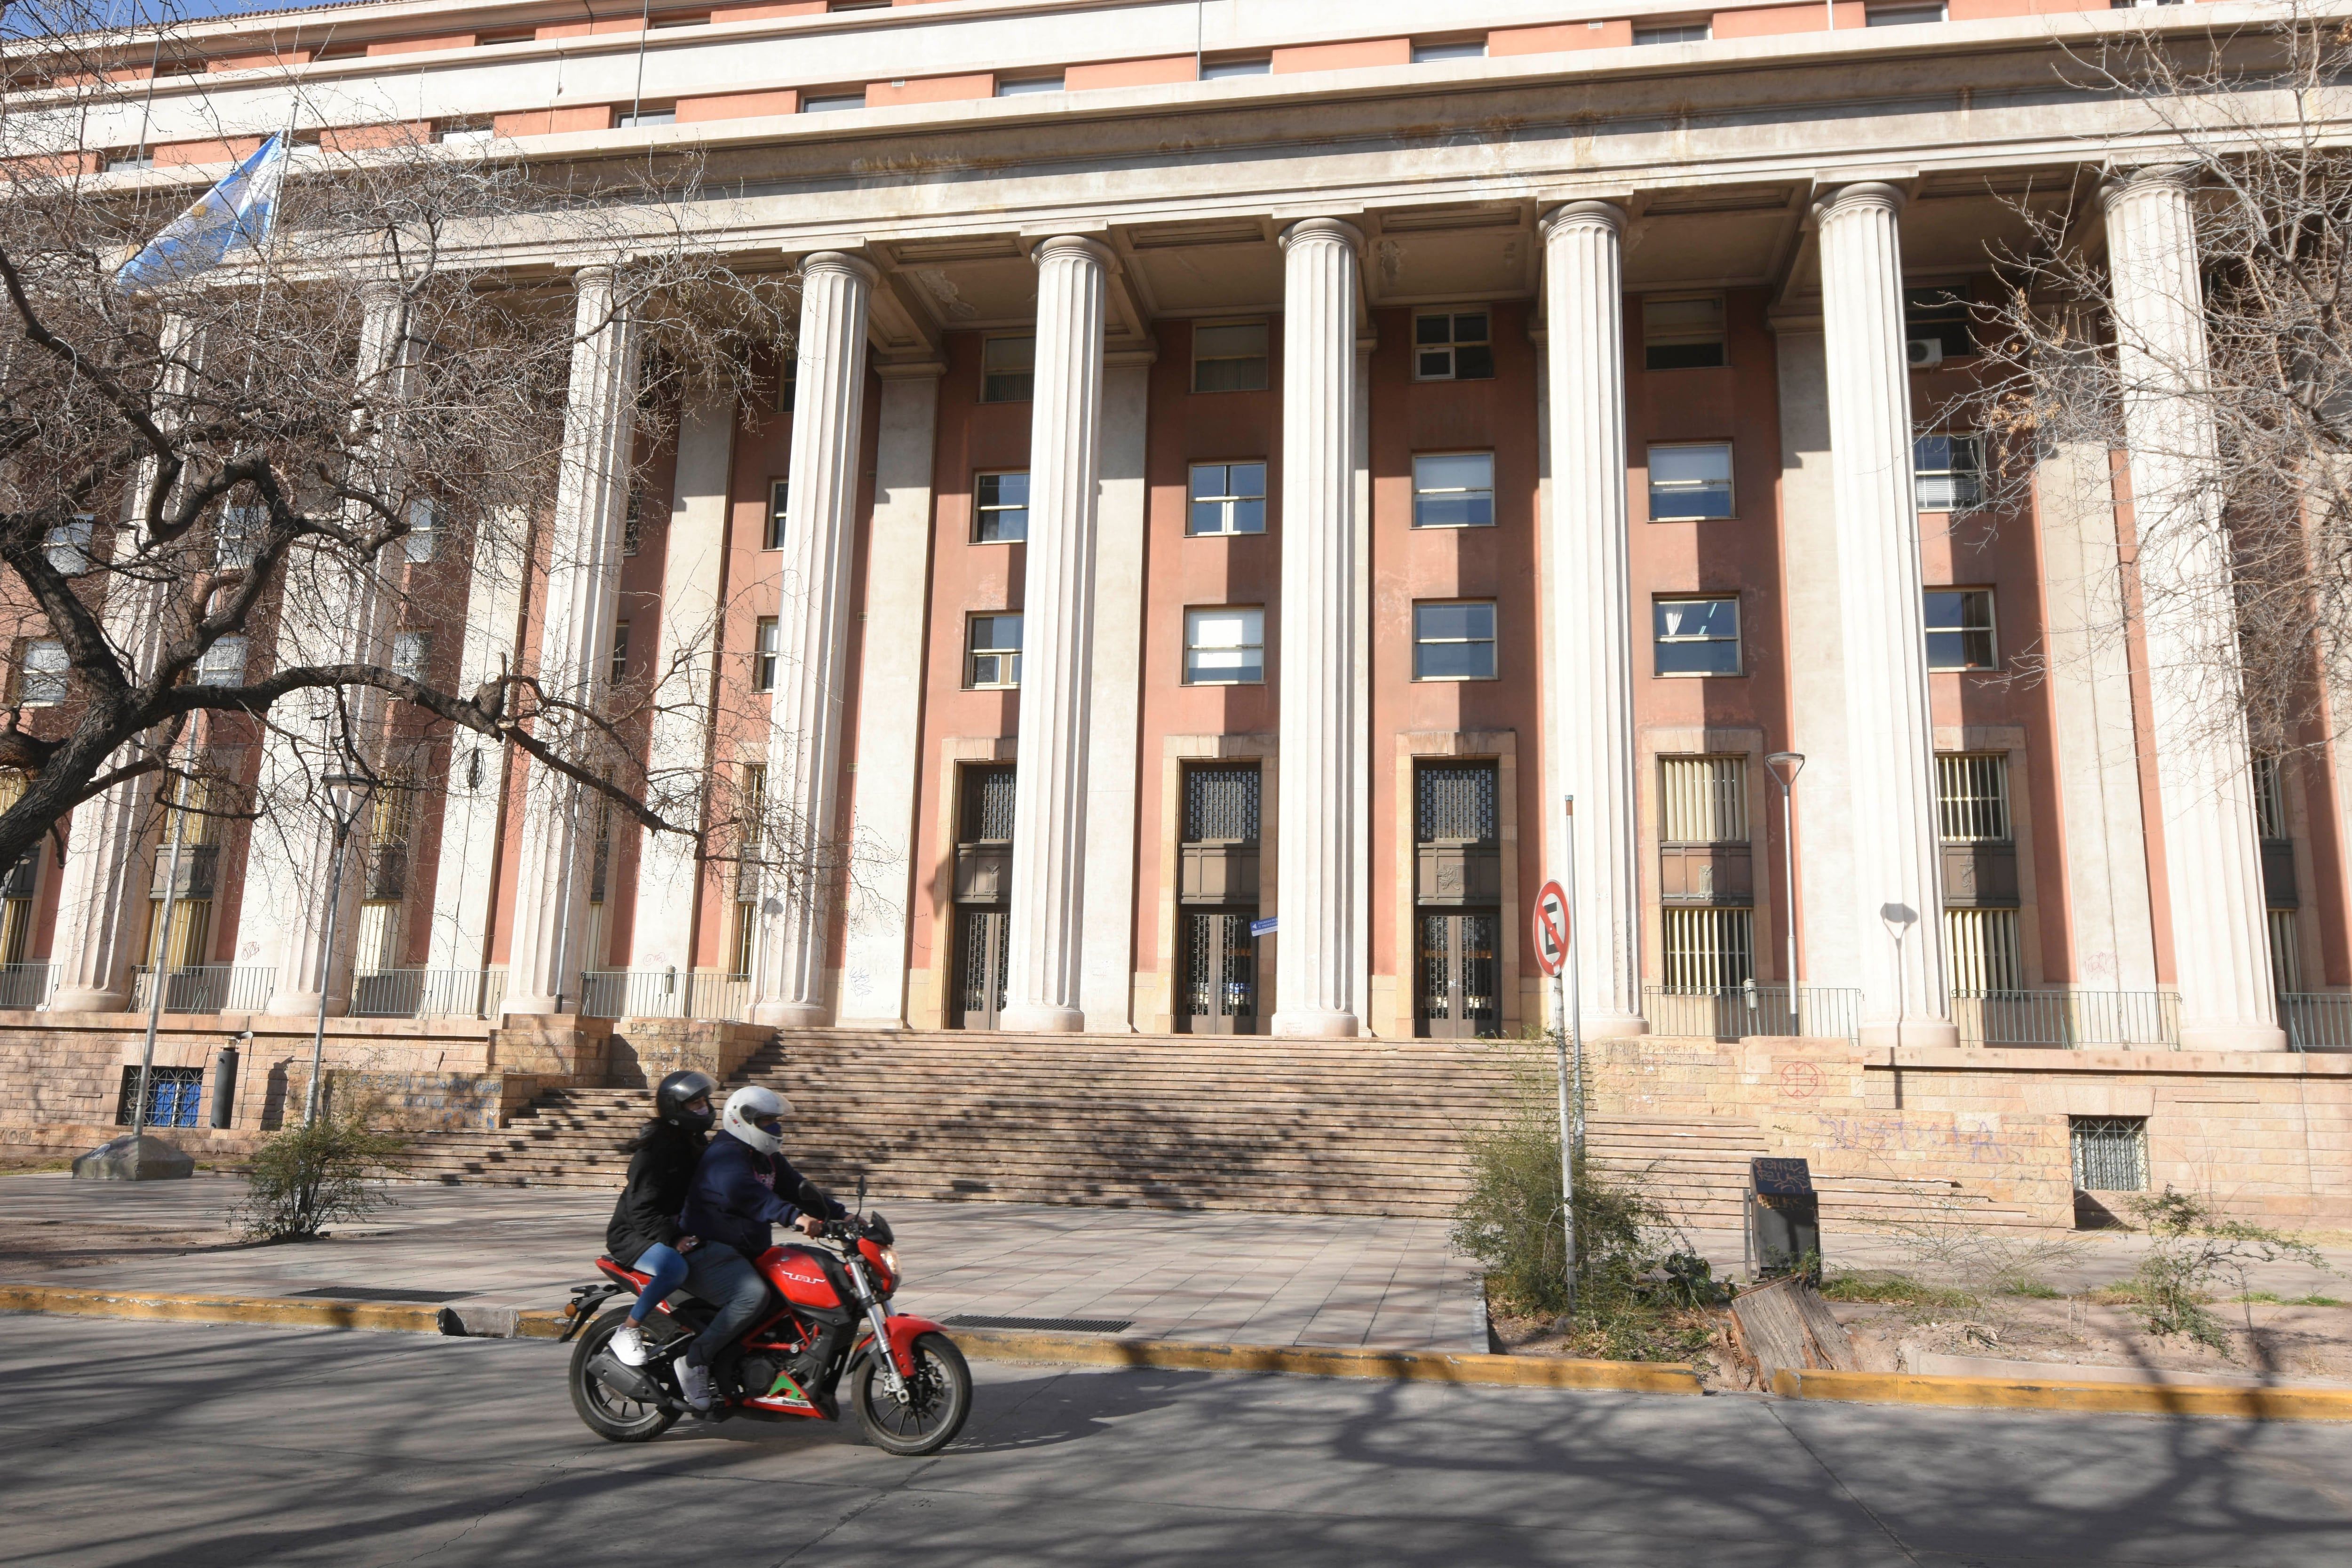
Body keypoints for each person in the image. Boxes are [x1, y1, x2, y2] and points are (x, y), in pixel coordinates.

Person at [672, 1083, 846, 1413]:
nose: (774, 1127)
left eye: (774, 1120)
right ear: (743, 1120)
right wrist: (794, 1217)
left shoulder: (765, 1157)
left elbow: (798, 1188)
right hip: (708, 1250)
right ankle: (695, 1360)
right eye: (767, 1121)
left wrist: (843, 1215)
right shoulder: (725, 1154)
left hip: (742, 1252)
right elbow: (747, 1194)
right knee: (752, 1296)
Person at [601, 1069, 716, 1369]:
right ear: (676, 1108)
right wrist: (673, 1237)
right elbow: (640, 1209)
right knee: (673, 1267)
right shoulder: (656, 1150)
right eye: (695, 1103)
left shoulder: (695, 1141)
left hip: (671, 1228)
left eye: (704, 1100)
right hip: (634, 1235)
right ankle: (628, 1329)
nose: (703, 1107)